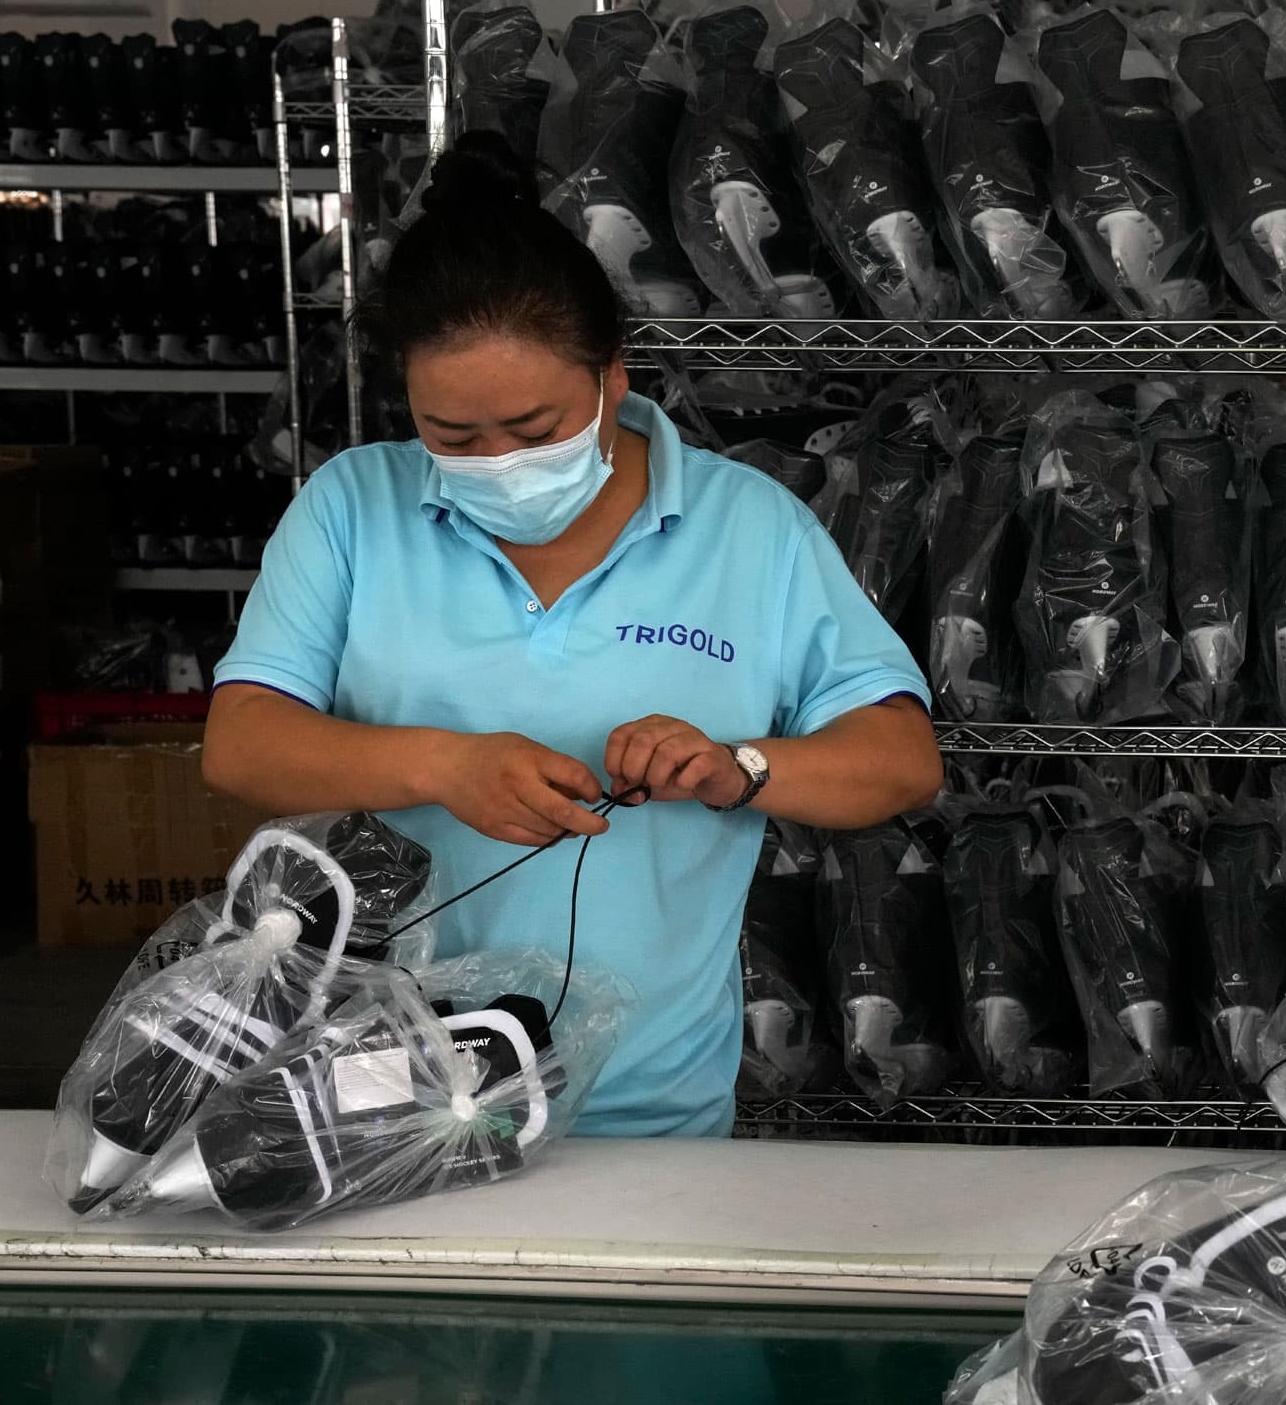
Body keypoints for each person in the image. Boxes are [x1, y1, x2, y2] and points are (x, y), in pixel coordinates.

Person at [203, 133, 942, 1137]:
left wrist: (740, 768)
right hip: (373, 1082)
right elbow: (242, 745)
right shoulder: (352, 507)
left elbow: (899, 762)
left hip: (647, 1101)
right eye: (453, 437)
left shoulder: (748, 528)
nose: (497, 461)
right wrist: (441, 765)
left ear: (613, 378)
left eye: (535, 426)